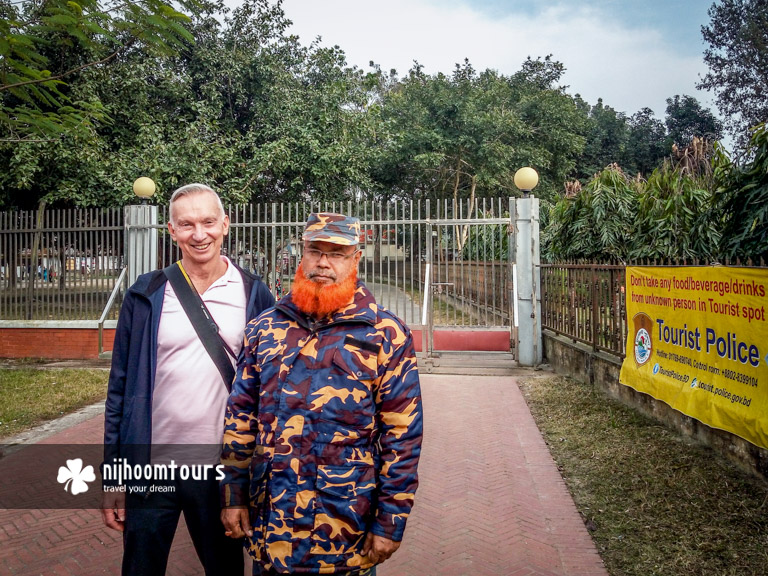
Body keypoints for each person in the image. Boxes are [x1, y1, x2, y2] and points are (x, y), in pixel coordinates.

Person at [220, 212, 424, 575]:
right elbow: (240, 419)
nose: (323, 263)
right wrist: (233, 496)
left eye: (338, 253)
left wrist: (391, 520)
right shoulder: (264, 328)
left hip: (345, 527)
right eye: (315, 251)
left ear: (356, 259)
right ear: (302, 253)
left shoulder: (384, 334)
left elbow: (403, 436)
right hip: (273, 526)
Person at [101, 183, 275, 575]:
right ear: (171, 230)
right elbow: (120, 390)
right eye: (188, 224)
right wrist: (113, 476)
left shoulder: (254, 293)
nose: (200, 234)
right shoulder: (145, 293)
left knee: (225, 568)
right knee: (140, 568)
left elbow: (269, 386)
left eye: (209, 222)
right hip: (151, 467)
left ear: (225, 225)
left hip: (219, 469)